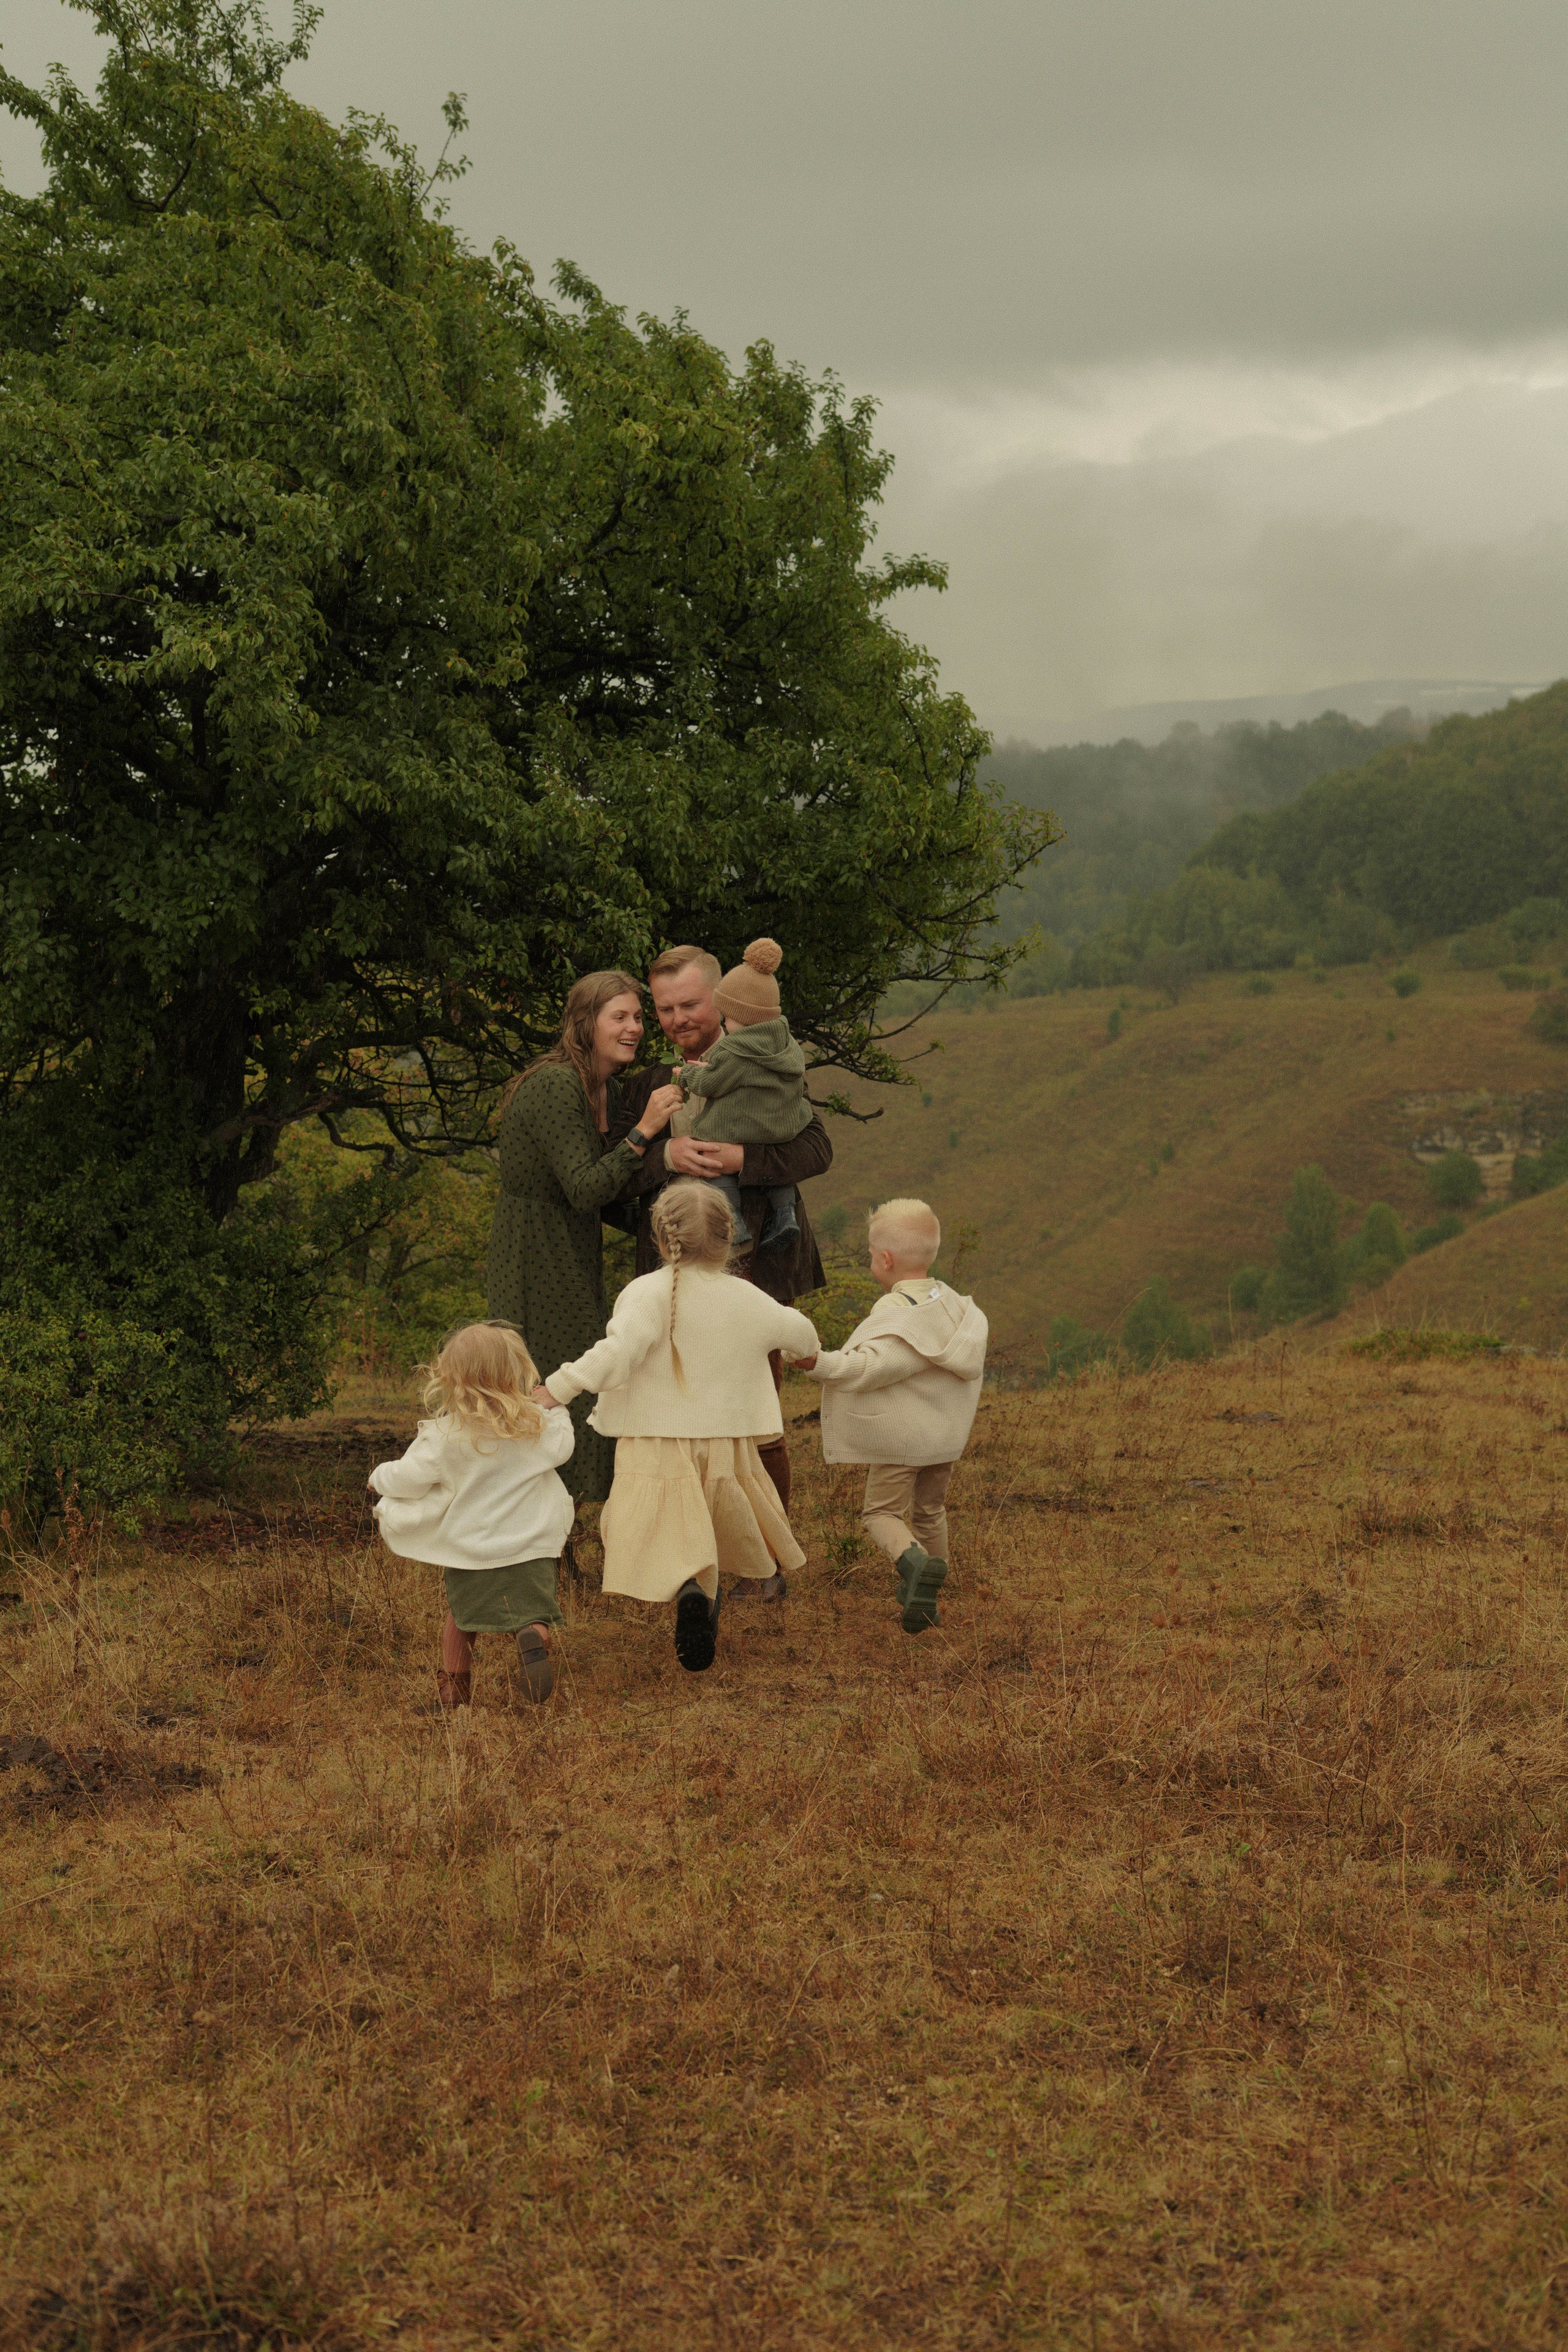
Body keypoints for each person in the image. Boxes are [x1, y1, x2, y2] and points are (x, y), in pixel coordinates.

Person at [535, 1182, 820, 1673]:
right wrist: (806, 1355)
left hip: (653, 1438)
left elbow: (616, 1355)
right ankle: (703, 1606)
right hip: (724, 1442)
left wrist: (557, 1388)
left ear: (662, 1241)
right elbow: (798, 1330)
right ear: (729, 1240)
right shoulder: (745, 1295)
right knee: (705, 1523)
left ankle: (687, 1588)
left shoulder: (644, 1292)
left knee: (659, 1526)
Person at [603, 944, 832, 1534]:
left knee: (758, 1419)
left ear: (720, 999)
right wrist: (666, 1155)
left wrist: (745, 1157)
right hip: (669, 1279)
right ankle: (689, 1545)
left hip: (758, 1273)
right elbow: (609, 1178)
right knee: (673, 1418)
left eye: (690, 1004)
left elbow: (817, 1148)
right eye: (665, 1009)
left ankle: (770, 1555)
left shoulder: (768, 1064)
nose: (679, 1019)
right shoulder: (651, 1084)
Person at [486, 971, 685, 1518]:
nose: (634, 1028)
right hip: (534, 1255)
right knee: (555, 1386)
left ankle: (562, 1526)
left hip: (572, 1251)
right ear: (585, 1022)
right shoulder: (556, 1085)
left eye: (638, 1017)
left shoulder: (606, 1087)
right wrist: (643, 1132)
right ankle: (539, 1527)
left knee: (579, 1381)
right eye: (618, 1017)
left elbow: (607, 1194)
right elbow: (585, 1188)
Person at [792, 1197, 988, 1637]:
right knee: (930, 1510)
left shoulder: (896, 1314)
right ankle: (930, 1597)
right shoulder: (957, 1307)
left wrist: (815, 1363)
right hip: (944, 1438)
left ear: (886, 1258)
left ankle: (916, 1568)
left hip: (903, 1439)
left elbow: (867, 1367)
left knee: (881, 1514)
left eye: (869, 1255)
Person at [368, 1322, 576, 1710]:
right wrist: (557, 1407)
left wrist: (377, 1477)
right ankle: (533, 1637)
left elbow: (409, 1479)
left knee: (461, 1619)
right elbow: (563, 1448)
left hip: (470, 1549)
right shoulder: (535, 1423)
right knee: (532, 1611)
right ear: (515, 1367)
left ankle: (453, 1696)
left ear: (452, 1377)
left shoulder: (445, 1435)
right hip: (532, 1546)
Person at [674, 937, 809, 1252]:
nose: (725, 1021)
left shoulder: (735, 1048)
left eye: (729, 1016)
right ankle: (786, 1212)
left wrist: (689, 1074)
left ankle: (732, 1220)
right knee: (779, 1173)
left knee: (713, 1160)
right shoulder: (785, 1042)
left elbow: (713, 1084)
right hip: (781, 1128)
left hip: (737, 1131)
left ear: (744, 1018)